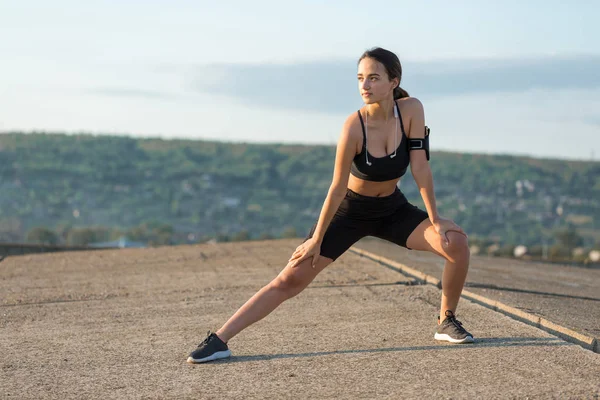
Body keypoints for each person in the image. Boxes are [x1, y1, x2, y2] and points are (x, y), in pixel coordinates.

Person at [187, 47, 472, 364]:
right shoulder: (354, 126)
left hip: (392, 209)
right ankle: (220, 339)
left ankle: (446, 320)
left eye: (374, 78)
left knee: (456, 243)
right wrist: (316, 238)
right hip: (349, 211)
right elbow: (337, 188)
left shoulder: (412, 111)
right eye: (361, 78)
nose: (365, 86)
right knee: (290, 279)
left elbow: (420, 167)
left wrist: (435, 219)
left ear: (394, 81)